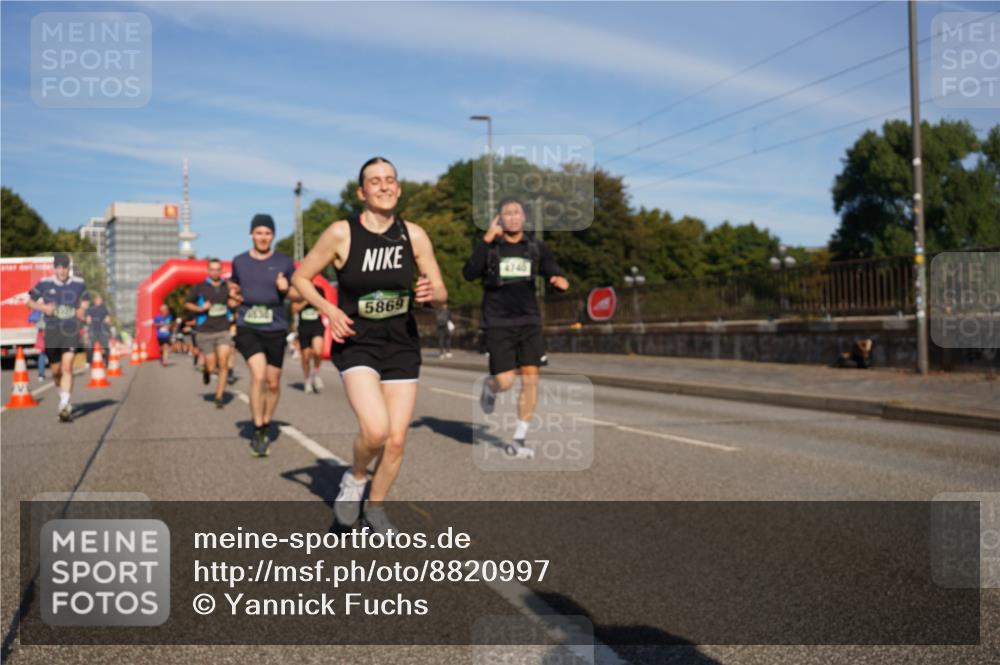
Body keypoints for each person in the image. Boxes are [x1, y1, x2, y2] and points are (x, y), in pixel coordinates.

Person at [292, 157, 447, 534]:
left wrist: (433, 294)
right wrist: (329, 309)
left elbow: (441, 291)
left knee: (395, 441)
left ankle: (375, 509)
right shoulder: (342, 233)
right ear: (361, 192)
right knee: (376, 430)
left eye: (390, 180)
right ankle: (356, 478)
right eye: (374, 181)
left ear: (399, 187)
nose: (384, 186)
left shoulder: (415, 235)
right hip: (358, 342)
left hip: (401, 342)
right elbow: (301, 277)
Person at [463, 197, 570, 458]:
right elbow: (469, 273)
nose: (512, 217)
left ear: (524, 218)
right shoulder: (490, 249)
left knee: (531, 380)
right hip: (498, 322)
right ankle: (490, 388)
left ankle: (519, 439)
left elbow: (550, 268)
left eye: (517, 213)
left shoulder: (535, 247)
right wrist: (486, 238)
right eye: (507, 213)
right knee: (506, 381)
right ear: (498, 219)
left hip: (529, 320)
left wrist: (557, 278)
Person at [229, 213, 300, 456]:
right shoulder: (239, 261)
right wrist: (234, 295)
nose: (262, 237)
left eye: (267, 233)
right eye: (258, 232)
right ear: (251, 234)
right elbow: (234, 286)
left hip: (276, 327)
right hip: (248, 325)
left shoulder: (285, 262)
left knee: (273, 382)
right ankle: (258, 426)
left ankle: (267, 421)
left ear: (273, 235)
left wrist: (286, 289)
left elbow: (299, 295)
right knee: (258, 375)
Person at [27, 253, 90, 422]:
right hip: (52, 330)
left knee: (68, 367)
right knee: (56, 371)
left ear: (69, 268)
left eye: (65, 267)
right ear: (54, 268)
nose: (62, 271)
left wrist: (82, 309)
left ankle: (64, 404)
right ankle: (62, 394)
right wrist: (42, 307)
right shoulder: (44, 283)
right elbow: (29, 302)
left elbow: (85, 300)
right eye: (59, 267)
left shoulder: (78, 284)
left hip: (71, 330)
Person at [185, 257, 234, 408]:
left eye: (217, 269)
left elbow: (233, 302)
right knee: (212, 366)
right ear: (208, 271)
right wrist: (200, 309)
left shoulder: (227, 286)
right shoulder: (199, 287)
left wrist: (234, 301)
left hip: (223, 329)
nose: (215, 272)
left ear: (221, 271)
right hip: (205, 331)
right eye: (212, 269)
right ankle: (207, 371)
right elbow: (188, 303)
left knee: (224, 363)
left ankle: (219, 397)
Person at [291, 284, 329, 393]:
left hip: (317, 325)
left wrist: (317, 305)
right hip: (304, 327)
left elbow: (324, 307)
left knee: (318, 351)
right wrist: (306, 300)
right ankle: (307, 380)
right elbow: (294, 309)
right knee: (306, 356)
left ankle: (316, 374)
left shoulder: (319, 289)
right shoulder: (297, 290)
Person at [85, 293, 112, 363]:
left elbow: (108, 319)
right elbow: (88, 320)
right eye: (97, 300)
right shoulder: (91, 309)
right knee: (92, 347)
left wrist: (108, 321)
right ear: (95, 301)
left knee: (104, 346)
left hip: (102, 330)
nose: (99, 301)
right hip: (94, 330)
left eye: (100, 300)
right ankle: (92, 362)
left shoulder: (104, 309)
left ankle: (106, 362)